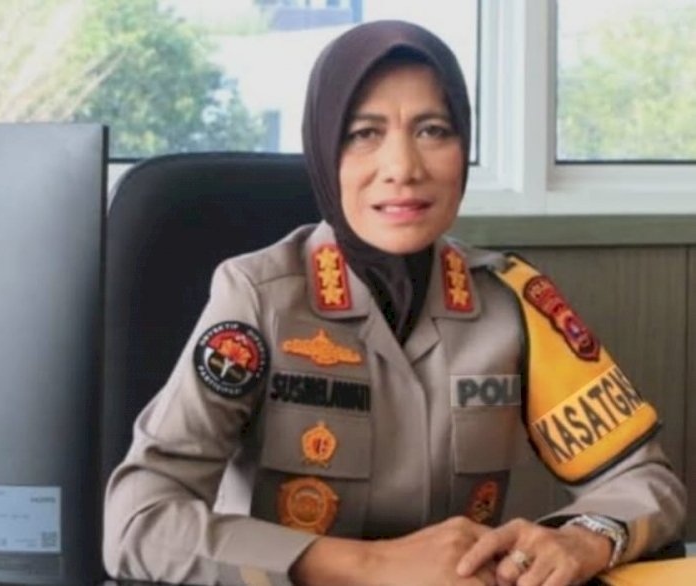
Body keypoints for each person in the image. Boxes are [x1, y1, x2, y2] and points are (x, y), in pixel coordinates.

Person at [103, 20, 686, 586]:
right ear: (324, 151)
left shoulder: (511, 304)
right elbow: (138, 520)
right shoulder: (257, 298)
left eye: (433, 130)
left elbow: (644, 481)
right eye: (365, 133)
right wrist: (372, 566)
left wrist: (583, 538)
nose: (404, 168)